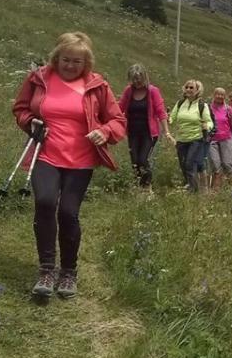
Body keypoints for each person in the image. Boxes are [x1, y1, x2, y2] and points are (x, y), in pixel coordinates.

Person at [12, 32, 126, 298]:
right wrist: (31, 122)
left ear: (86, 63)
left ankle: (68, 273)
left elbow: (117, 120)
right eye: (66, 59)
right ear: (56, 57)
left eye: (77, 61)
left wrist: (105, 131)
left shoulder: (97, 86)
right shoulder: (39, 78)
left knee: (67, 213)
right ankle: (46, 269)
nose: (71, 66)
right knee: (45, 202)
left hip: (80, 160)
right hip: (45, 154)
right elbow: (20, 109)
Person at [118, 64, 173, 192]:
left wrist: (167, 132)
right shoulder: (128, 91)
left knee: (143, 159)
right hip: (133, 132)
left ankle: (147, 188)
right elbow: (119, 108)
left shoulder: (153, 91)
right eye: (134, 79)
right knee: (135, 162)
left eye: (139, 78)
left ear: (145, 77)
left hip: (149, 133)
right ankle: (139, 187)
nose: (136, 82)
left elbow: (161, 112)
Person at [170, 80, 212, 193]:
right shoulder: (180, 103)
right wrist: (165, 119)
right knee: (183, 164)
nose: (188, 89)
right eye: (187, 87)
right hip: (181, 139)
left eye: (191, 88)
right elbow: (172, 117)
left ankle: (193, 190)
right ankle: (191, 185)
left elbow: (209, 122)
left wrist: (206, 126)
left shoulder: (202, 105)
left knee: (189, 163)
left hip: (196, 139)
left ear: (197, 90)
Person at [207, 87, 232, 191]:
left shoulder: (228, 108)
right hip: (212, 139)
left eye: (222, 94)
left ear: (225, 96)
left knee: (227, 163)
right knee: (215, 164)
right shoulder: (208, 108)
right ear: (213, 95)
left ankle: (231, 186)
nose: (219, 96)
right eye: (217, 94)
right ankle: (216, 188)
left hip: (226, 138)